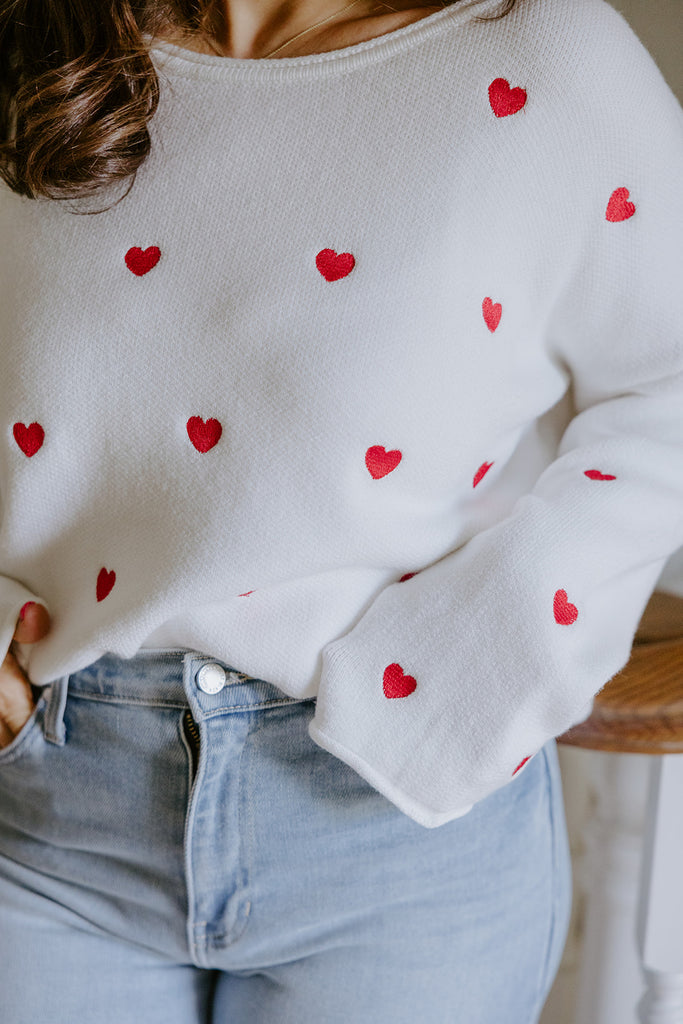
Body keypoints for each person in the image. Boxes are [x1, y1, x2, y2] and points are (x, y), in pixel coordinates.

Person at [0, 0, 681, 1020]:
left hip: (394, 830)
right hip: (49, 812)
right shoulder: (35, 31)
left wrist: (478, 665)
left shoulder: (542, 57)